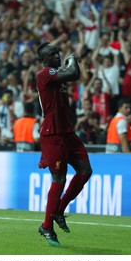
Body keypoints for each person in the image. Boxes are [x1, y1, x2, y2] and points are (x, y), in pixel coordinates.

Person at [36, 42, 92, 246]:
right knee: (58, 178)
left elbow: (75, 75)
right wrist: (71, 60)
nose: (57, 55)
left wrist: (71, 62)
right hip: (54, 134)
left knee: (85, 170)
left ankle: (59, 210)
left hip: (67, 131)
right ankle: (47, 226)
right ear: (44, 60)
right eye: (52, 54)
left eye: (58, 52)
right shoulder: (45, 73)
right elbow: (74, 74)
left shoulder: (57, 74)